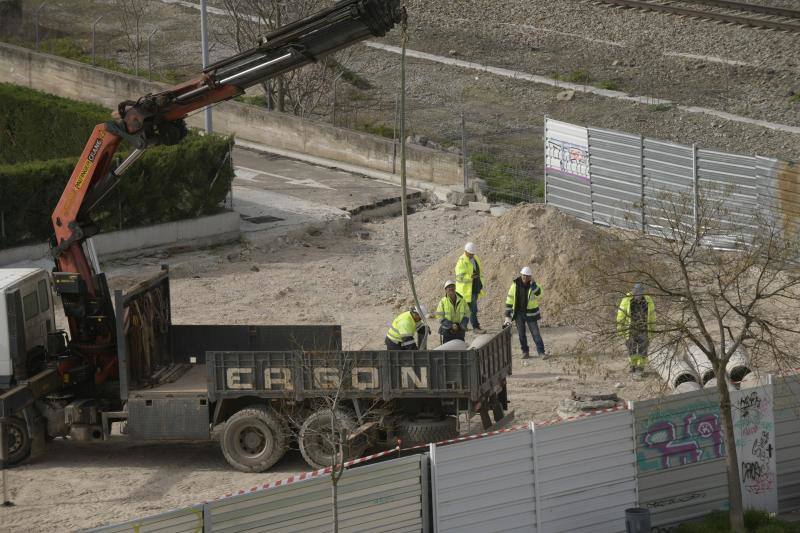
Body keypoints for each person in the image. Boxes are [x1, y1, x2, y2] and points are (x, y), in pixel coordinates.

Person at [504, 266, 546, 359]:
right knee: (521, 334)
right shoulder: (515, 285)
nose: (525, 278)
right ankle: (525, 352)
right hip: (518, 313)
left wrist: (534, 286)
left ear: (530, 277)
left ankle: (541, 352)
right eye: (524, 276)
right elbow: (510, 298)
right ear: (521, 275)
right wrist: (507, 312)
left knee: (536, 333)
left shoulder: (534, 285)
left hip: (530, 313)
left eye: (527, 276)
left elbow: (540, 294)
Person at [616, 283, 656, 374]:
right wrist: (620, 327)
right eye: (636, 293)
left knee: (643, 348)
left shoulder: (648, 300)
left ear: (642, 293)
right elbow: (621, 314)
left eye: (640, 293)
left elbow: (652, 315)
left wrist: (652, 329)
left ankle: (640, 367)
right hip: (631, 329)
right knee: (631, 348)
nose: (638, 295)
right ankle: (632, 366)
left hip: (644, 328)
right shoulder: (627, 300)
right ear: (633, 292)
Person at [455, 241, 485, 333]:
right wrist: (470, 277)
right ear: (466, 251)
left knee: (468, 310)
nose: (472, 255)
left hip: (475, 287)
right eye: (470, 253)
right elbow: (459, 277)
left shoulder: (475, 258)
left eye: (473, 253)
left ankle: (462, 326)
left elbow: (479, 270)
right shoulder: (461, 261)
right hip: (466, 290)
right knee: (473, 309)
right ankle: (476, 328)